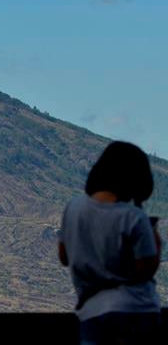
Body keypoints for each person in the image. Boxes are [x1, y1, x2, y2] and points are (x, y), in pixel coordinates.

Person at [59, 141, 162, 345]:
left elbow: (64, 256)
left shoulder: (73, 209)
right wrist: (155, 239)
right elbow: (146, 268)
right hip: (136, 310)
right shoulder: (133, 216)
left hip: (91, 311)